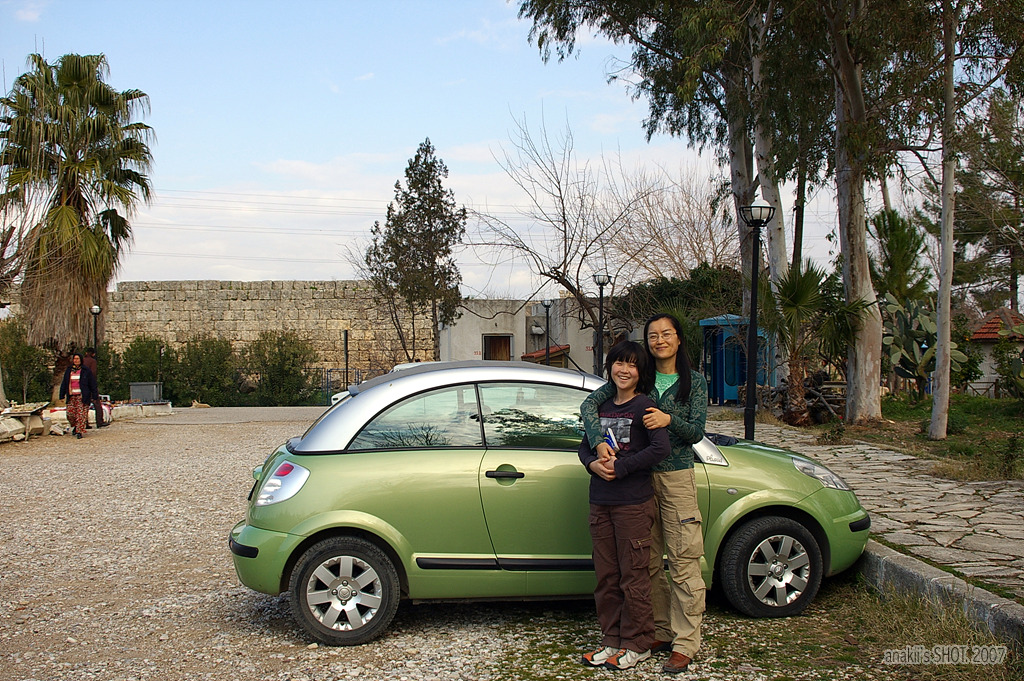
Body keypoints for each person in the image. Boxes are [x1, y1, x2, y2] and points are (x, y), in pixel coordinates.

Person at [581, 314, 708, 675]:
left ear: (679, 339)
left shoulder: (694, 381)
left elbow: (697, 432)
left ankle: (685, 643)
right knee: (646, 564)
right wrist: (597, 447)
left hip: (675, 477)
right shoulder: (640, 374)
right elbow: (590, 407)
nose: (659, 340)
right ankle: (658, 631)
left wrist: (669, 420)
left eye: (666, 334)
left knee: (683, 560)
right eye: (653, 335)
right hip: (636, 484)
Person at [579, 341, 670, 671]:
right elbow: (584, 447)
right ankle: (612, 639)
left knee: (634, 577)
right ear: (610, 367)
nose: (624, 370)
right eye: (619, 363)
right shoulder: (601, 407)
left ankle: (638, 643)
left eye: (632, 365)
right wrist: (592, 464)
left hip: (632, 503)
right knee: (607, 577)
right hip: (600, 502)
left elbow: (660, 449)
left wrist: (622, 467)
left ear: (640, 372)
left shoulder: (645, 406)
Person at [60, 352, 98, 439]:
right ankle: (76, 426)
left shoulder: (86, 371)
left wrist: (94, 395)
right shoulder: (69, 370)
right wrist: (62, 395)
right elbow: (64, 383)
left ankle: (79, 431)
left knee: (81, 415)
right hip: (72, 396)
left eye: (77, 359)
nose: (76, 360)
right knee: (70, 414)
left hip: (82, 396)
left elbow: (92, 384)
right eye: (74, 359)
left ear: (81, 360)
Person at [82, 348, 105, 428]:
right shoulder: (93, 361)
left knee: (84, 404)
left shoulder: (82, 361)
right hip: (90, 385)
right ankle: (99, 421)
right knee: (97, 403)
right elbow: (93, 373)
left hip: (82, 385)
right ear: (93, 354)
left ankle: (84, 423)